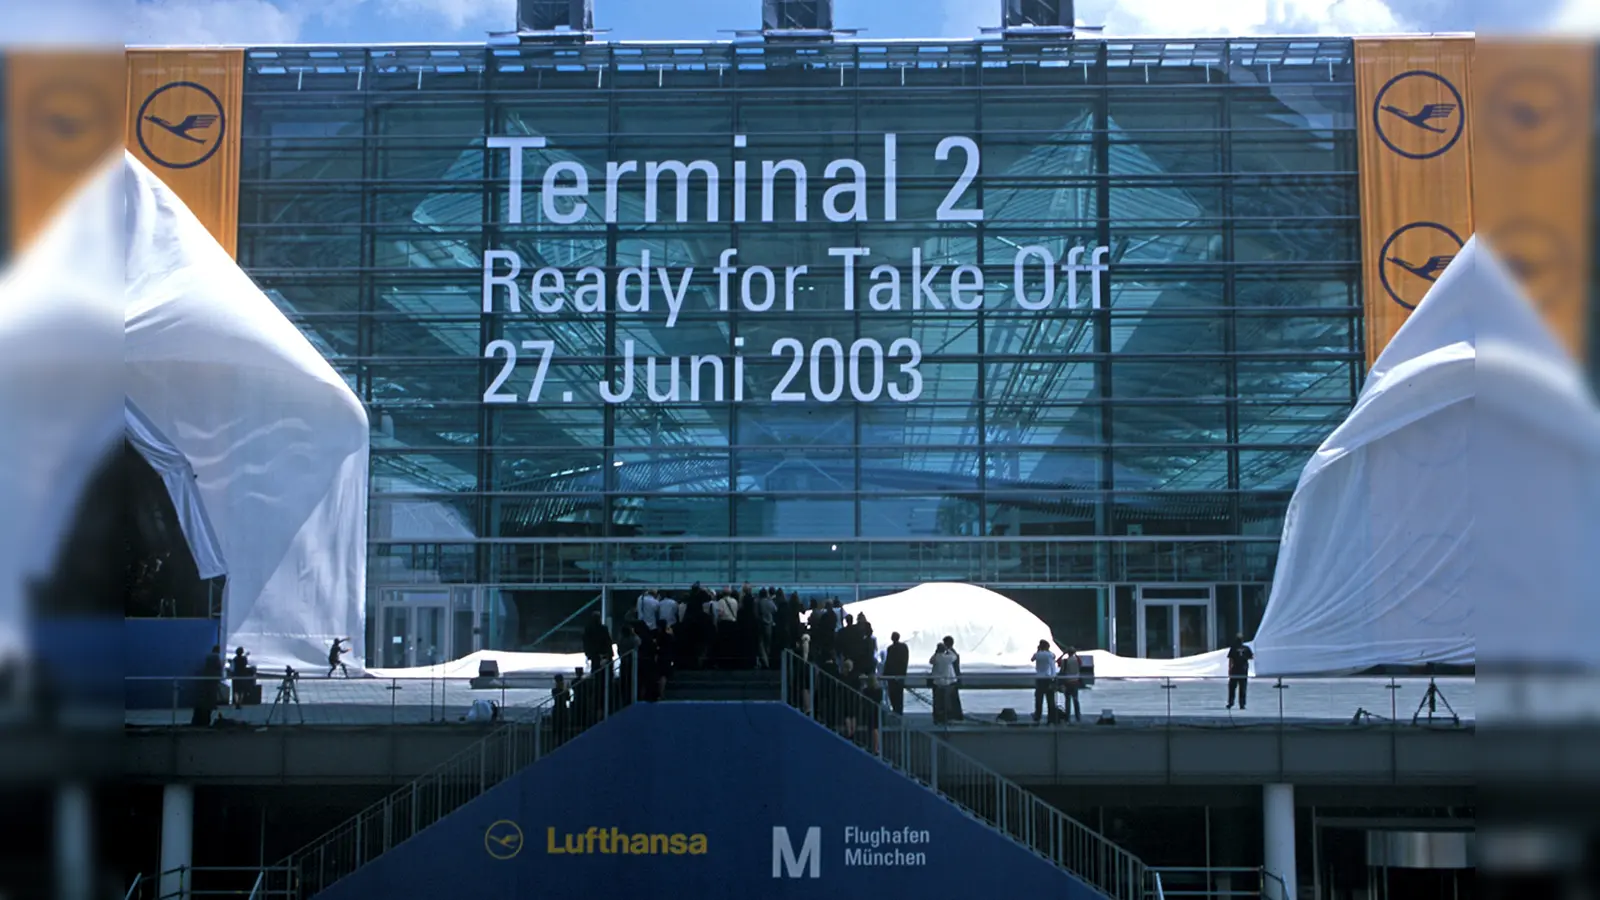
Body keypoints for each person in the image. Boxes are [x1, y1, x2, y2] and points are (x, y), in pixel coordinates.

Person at [192, 645, 223, 726]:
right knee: (211, 698)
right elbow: (218, 668)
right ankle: (207, 718)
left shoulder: (208, 657)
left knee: (205, 698)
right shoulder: (216, 658)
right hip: (213, 681)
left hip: (207, 680)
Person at [929, 640, 959, 725]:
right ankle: (946, 718)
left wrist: (935, 653)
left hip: (937, 682)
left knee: (937, 702)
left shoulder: (936, 657)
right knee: (947, 702)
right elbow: (955, 656)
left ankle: (937, 719)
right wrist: (948, 649)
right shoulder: (948, 658)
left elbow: (930, 661)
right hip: (947, 682)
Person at [1031, 640, 1058, 724]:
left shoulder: (1038, 654)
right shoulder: (1049, 654)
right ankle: (1051, 718)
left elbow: (1032, 659)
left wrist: (1038, 650)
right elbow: (1054, 657)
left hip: (1039, 678)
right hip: (1048, 678)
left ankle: (1038, 716)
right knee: (1050, 699)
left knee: (1039, 699)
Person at [882, 632, 909, 715]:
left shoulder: (890, 648)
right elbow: (906, 660)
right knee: (900, 695)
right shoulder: (904, 647)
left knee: (893, 695)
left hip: (892, 676)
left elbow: (888, 662)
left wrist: (884, 674)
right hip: (901, 675)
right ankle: (899, 712)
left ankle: (895, 711)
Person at [1226, 633, 1254, 710]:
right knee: (1243, 688)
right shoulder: (1246, 648)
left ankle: (1230, 703)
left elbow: (1231, 660)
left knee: (1232, 687)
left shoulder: (1233, 648)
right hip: (1243, 670)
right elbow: (1251, 657)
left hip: (1235, 670)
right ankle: (1242, 704)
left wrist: (1229, 669)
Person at [1057, 646, 1083, 724]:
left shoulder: (1065, 661)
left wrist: (1063, 654)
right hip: (1075, 682)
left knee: (1067, 701)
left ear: (1068, 653)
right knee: (1076, 700)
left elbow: (1057, 662)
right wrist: (1076, 654)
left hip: (1067, 682)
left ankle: (1067, 717)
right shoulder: (1077, 660)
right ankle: (1077, 716)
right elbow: (1081, 663)